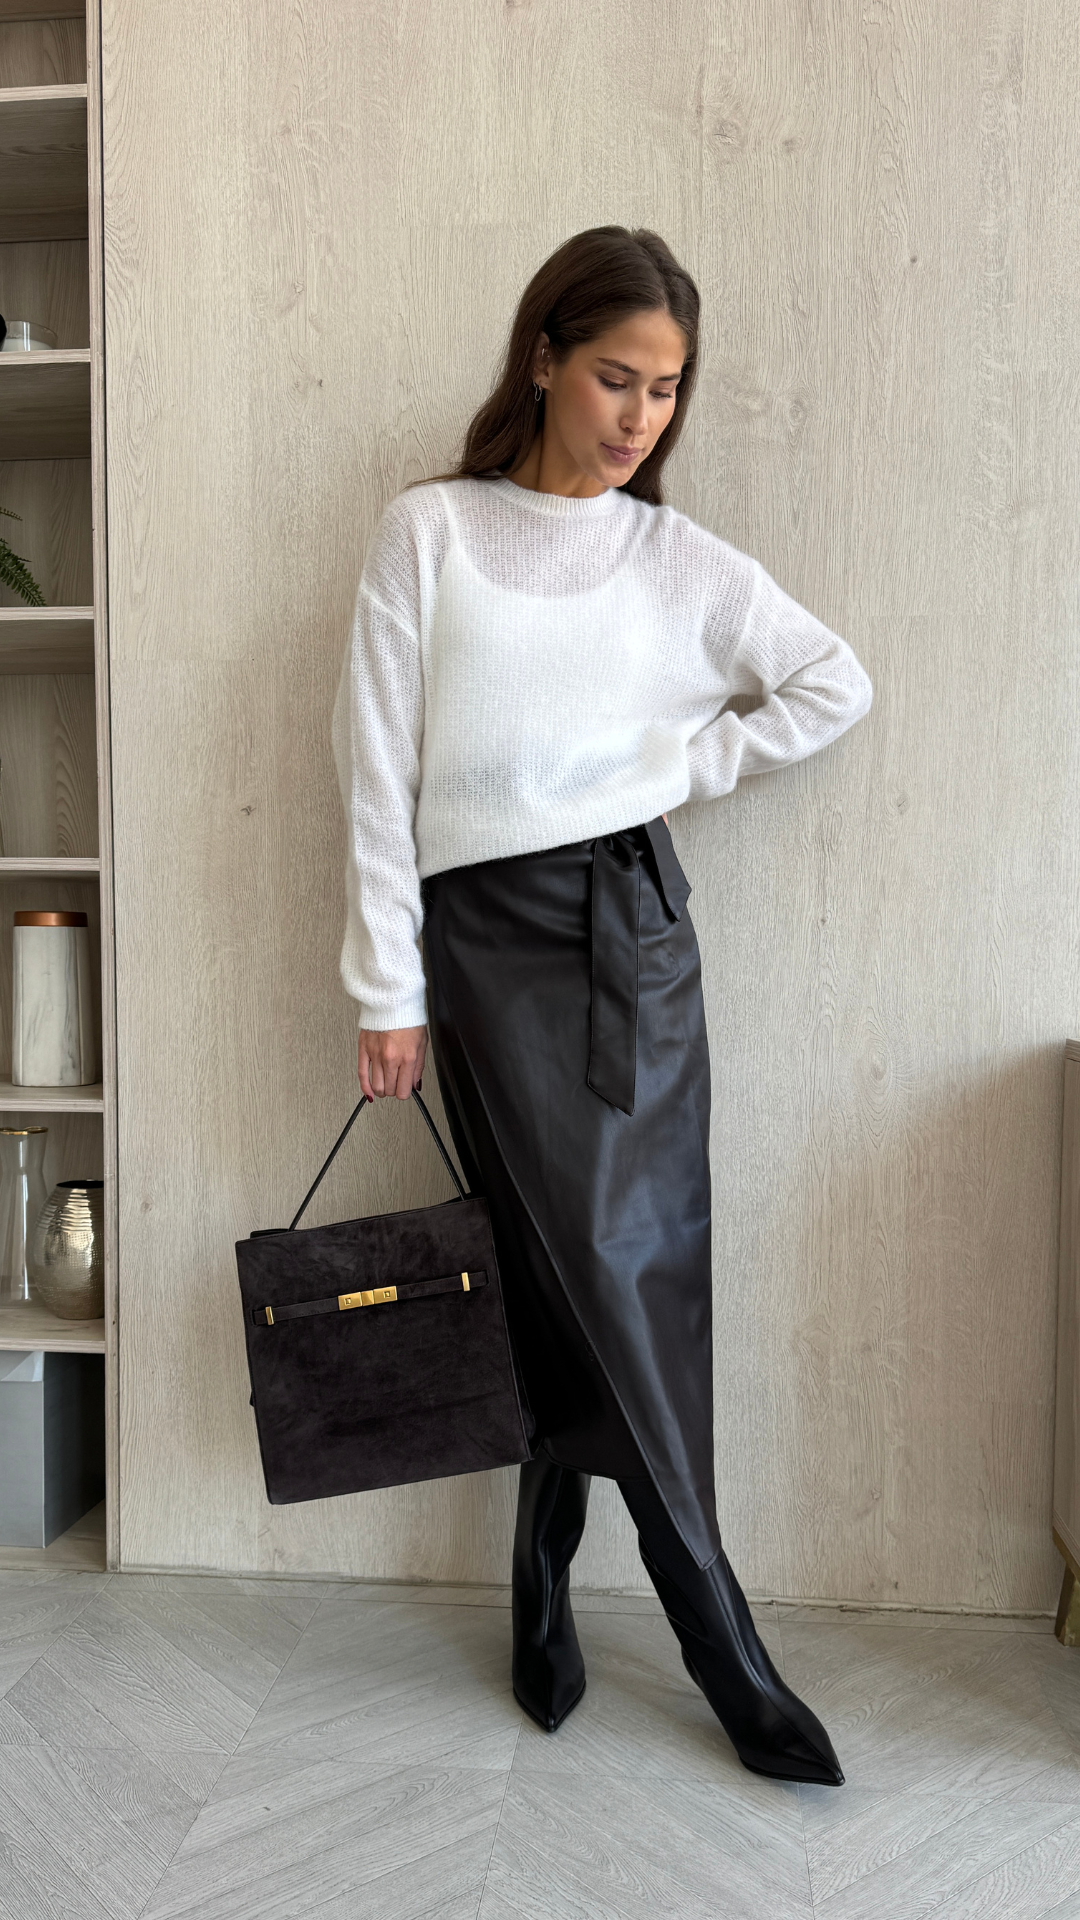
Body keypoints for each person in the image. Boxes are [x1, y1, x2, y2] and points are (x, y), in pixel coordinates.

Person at [332, 226, 872, 1786]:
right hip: (479, 939)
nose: (643, 415)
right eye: (620, 377)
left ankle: (561, 1564)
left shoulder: (675, 561)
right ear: (547, 360)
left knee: (633, 1273)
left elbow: (831, 683)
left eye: (670, 391)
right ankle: (709, 1627)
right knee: (565, 1266)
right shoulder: (428, 532)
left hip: (629, 927)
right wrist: (385, 980)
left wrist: (671, 771)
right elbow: (374, 774)